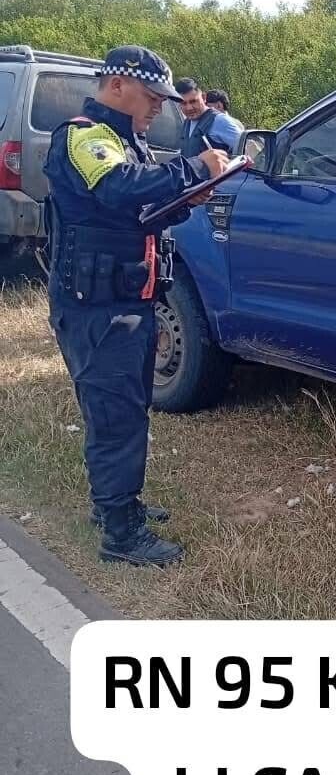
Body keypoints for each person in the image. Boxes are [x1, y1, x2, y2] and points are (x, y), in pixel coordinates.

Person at [43, 46, 229, 567]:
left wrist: (187, 196)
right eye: (152, 97)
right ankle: (121, 535)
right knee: (116, 416)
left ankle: (115, 507)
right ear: (118, 86)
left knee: (122, 410)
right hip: (99, 309)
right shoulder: (84, 137)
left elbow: (138, 213)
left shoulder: (127, 142)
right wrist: (193, 167)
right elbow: (119, 188)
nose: (159, 108)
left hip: (126, 300)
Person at [174, 77, 243, 156]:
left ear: (204, 97)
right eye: (183, 103)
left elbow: (247, 149)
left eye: (193, 101)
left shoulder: (219, 121)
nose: (189, 108)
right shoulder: (186, 123)